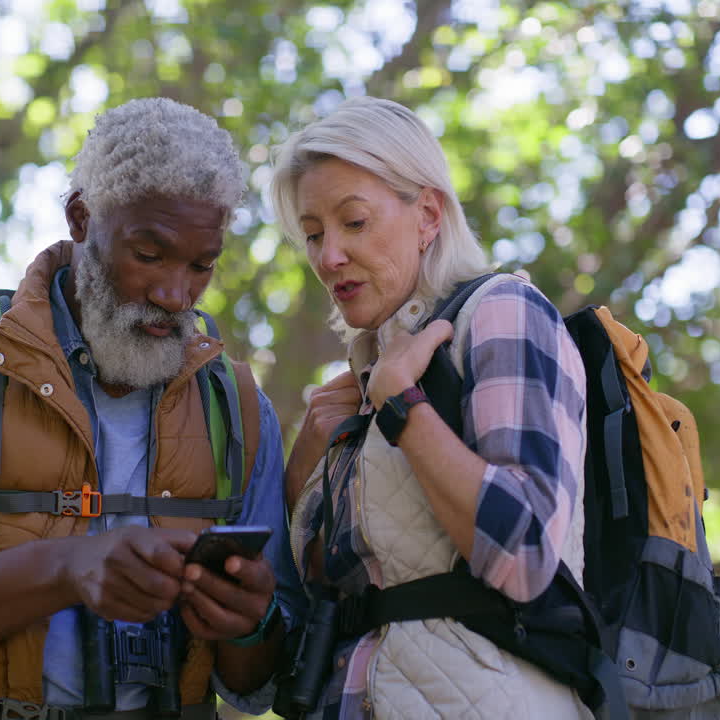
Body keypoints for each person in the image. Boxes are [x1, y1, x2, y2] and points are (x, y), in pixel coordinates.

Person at [0, 97, 302, 720]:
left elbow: (260, 685)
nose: (176, 295)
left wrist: (251, 623)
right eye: (149, 254)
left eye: (202, 265)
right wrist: (66, 567)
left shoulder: (240, 408)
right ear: (81, 218)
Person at [270, 96, 591, 718]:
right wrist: (306, 462)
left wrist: (404, 408)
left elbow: (526, 556)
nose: (328, 256)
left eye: (353, 222)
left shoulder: (503, 311)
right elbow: (311, 597)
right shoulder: (364, 379)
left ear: (427, 215)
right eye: (313, 234)